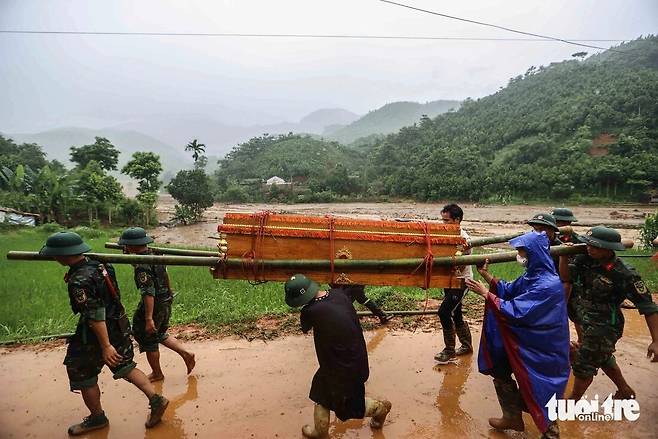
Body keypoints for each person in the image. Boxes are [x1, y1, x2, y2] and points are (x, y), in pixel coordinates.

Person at [39, 231, 168, 435]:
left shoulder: (79, 280)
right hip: (118, 323)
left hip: (98, 331)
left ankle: (97, 418)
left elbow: (95, 313)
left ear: (62, 255)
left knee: (81, 369)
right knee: (124, 365)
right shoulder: (101, 265)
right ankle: (156, 398)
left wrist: (106, 345)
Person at [466, 231, 569, 438]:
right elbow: (510, 290)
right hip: (524, 339)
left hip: (541, 346)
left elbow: (516, 310)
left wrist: (486, 293)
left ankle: (551, 431)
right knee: (499, 368)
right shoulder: (533, 275)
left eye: (522, 251)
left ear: (535, 253)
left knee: (540, 385)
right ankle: (512, 416)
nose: (519, 255)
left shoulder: (548, 284)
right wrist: (488, 277)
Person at [284, 274, 392, 438]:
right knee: (321, 391)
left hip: (342, 366)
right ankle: (320, 432)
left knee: (348, 406)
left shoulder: (310, 311)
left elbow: (305, 328)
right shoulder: (338, 294)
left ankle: (379, 409)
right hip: (353, 358)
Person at [559, 226, 658, 401]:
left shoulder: (624, 274)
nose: (589, 248)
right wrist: (564, 257)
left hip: (605, 327)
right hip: (586, 320)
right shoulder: (585, 260)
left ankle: (572, 401)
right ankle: (625, 390)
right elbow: (566, 278)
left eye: (595, 246)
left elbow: (648, 307)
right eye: (588, 244)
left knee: (584, 364)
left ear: (608, 248)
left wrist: (656, 341)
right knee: (602, 357)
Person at [119, 227, 196, 382]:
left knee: (148, 338)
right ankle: (185, 353)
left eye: (126, 245)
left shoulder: (142, 264)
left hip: (154, 305)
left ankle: (157, 373)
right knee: (159, 333)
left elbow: (148, 292)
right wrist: (169, 293)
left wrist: (148, 318)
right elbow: (165, 274)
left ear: (132, 246)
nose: (124, 248)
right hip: (165, 301)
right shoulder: (156, 254)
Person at [434, 203, 473, 364]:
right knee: (456, 313)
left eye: (447, 221)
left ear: (457, 220)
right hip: (448, 280)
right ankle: (466, 346)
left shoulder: (464, 239)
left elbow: (460, 265)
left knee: (444, 312)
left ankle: (449, 350)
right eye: (442, 220)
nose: (444, 224)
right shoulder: (444, 236)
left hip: (461, 281)